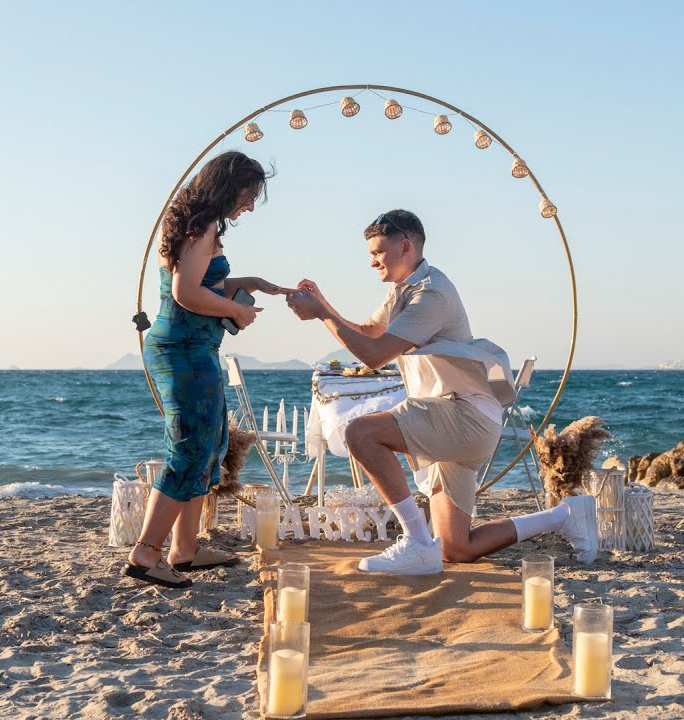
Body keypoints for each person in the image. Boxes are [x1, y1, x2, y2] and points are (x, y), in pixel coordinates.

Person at [285, 209, 598, 575]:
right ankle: (566, 515)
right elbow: (370, 331)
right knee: (457, 548)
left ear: (404, 246)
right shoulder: (405, 289)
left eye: (377, 252)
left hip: (462, 416)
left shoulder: (430, 293)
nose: (371, 262)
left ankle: (417, 542)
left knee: (359, 433)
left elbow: (373, 355)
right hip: (461, 420)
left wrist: (321, 314)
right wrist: (323, 305)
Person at [125, 151, 293, 588]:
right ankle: (146, 554)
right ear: (227, 186)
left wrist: (247, 284)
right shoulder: (203, 225)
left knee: (210, 444)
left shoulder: (196, 223)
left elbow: (202, 283)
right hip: (182, 349)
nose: (251, 206)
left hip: (192, 349)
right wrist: (239, 314)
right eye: (248, 195)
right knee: (188, 451)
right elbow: (186, 294)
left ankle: (185, 550)